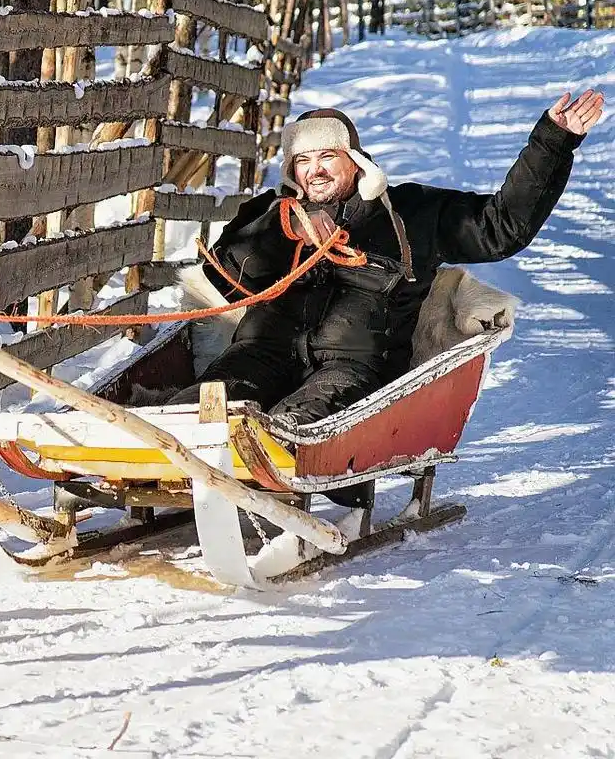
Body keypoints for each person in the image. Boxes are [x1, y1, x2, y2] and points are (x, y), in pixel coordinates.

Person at [168, 90, 605, 512]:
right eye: (302, 160)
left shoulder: (410, 213)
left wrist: (553, 142)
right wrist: (286, 229)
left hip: (353, 368)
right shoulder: (271, 214)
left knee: (292, 431)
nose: (314, 171)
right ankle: (173, 478)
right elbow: (222, 276)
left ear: (355, 160)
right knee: (186, 416)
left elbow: (500, 227)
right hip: (262, 353)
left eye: (326, 156)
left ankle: (290, 492)